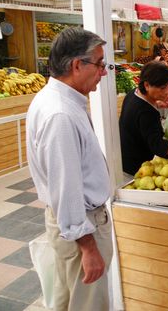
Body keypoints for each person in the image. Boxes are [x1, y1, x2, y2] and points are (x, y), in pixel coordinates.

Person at [26, 27, 113, 311]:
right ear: (78, 65)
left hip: (74, 226)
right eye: (100, 64)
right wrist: (88, 247)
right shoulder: (60, 114)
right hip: (82, 228)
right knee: (87, 304)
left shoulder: (58, 100)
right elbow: (67, 187)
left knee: (68, 302)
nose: (103, 72)